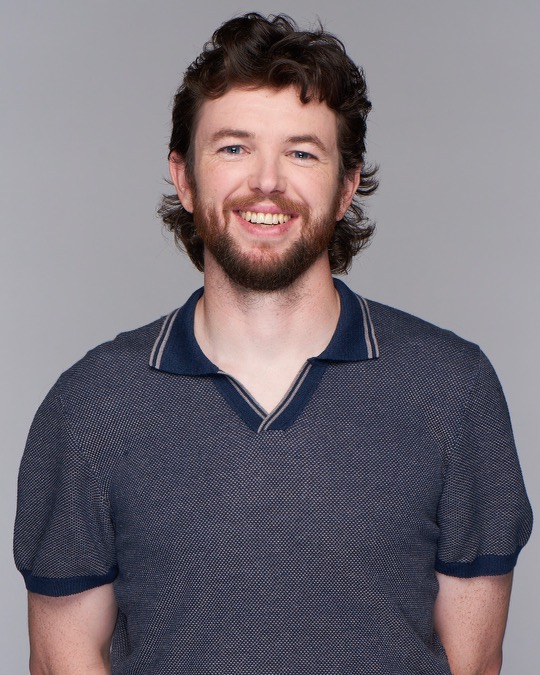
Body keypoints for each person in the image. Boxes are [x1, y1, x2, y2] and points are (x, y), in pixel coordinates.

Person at [14, 13, 532, 674]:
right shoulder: (91, 405)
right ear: (184, 177)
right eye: (234, 148)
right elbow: (62, 660)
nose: (267, 180)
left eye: (302, 152)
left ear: (346, 186)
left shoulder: (453, 389)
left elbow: (475, 663)